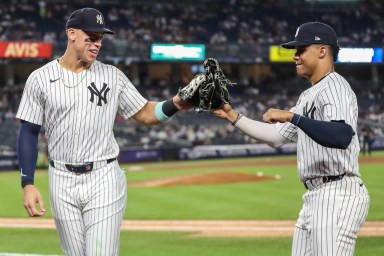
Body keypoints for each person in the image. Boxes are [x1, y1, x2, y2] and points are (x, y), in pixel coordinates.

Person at [16, 7, 202, 255]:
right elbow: (28, 131)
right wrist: (27, 183)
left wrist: (176, 103)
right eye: (90, 37)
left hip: (103, 177)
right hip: (60, 179)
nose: (97, 44)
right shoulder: (39, 79)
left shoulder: (112, 76)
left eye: (100, 39)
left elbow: (145, 113)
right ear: (71, 34)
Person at [212, 22, 370, 255]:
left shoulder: (336, 86)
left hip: (337, 194)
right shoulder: (308, 95)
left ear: (322, 51)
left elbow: (342, 135)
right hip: (314, 196)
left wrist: (293, 117)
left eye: (301, 49)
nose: (295, 56)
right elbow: (275, 137)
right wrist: (232, 116)